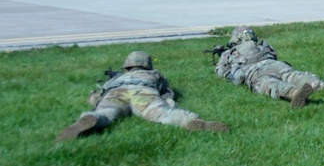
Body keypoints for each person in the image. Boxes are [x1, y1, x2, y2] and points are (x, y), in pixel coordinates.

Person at [57, 51, 229, 141]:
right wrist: (168, 101)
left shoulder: (116, 78)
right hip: (144, 92)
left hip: (116, 92)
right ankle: (190, 120)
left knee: (105, 112)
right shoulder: (153, 74)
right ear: (147, 64)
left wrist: (94, 99)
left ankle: (90, 118)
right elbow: (166, 92)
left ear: (127, 65)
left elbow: (96, 97)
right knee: (163, 113)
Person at [214, 27, 324, 108]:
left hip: (255, 72)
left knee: (271, 85)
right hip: (278, 66)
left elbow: (223, 73)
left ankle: (294, 94)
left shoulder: (229, 53)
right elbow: (273, 55)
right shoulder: (263, 45)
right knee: (319, 83)